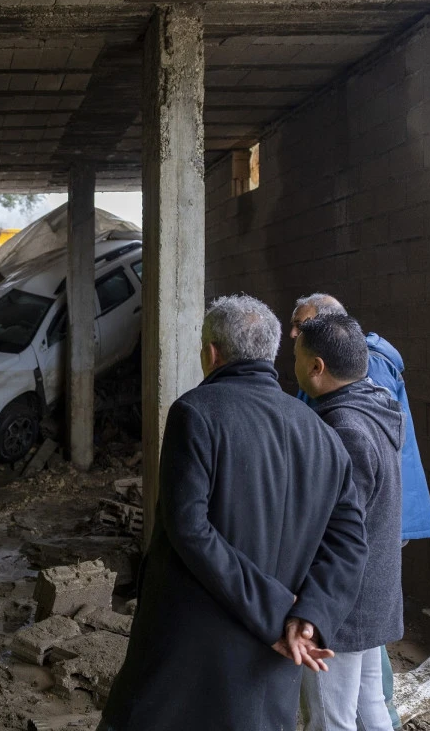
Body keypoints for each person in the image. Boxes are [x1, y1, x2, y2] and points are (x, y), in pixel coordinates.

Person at [99, 295, 368, 731]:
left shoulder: (195, 414)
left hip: (189, 653)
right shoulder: (322, 435)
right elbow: (351, 544)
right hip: (271, 662)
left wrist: (278, 610)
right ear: (272, 353)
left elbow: (189, 529)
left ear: (212, 353)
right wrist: (310, 617)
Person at [291, 293, 430, 729]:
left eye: (297, 352)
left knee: (329, 717)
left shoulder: (344, 429)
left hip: (343, 603)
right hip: (370, 592)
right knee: (369, 701)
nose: (291, 358)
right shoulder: (373, 405)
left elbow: (337, 537)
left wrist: (313, 609)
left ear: (317, 368)